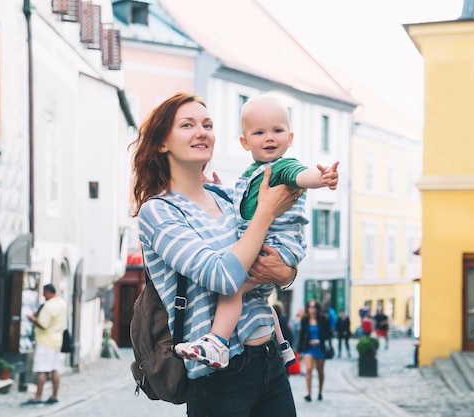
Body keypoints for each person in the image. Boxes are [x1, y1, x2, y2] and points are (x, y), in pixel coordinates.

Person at [131, 92, 299, 416]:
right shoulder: (158, 212)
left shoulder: (226, 196)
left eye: (207, 124)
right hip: (218, 373)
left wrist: (286, 273)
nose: (202, 131)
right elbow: (222, 276)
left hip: (269, 358)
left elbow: (271, 265)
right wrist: (264, 213)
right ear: (162, 143)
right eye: (187, 125)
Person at [175, 93, 339, 369]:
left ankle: (217, 342)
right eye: (259, 132)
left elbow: (301, 176)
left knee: (234, 286)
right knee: (260, 296)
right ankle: (283, 345)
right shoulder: (252, 172)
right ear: (245, 141)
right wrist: (219, 187)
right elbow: (244, 203)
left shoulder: (282, 167)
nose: (269, 138)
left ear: (290, 137)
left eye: (277, 130)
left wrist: (321, 178)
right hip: (270, 243)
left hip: (277, 244)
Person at [22, 283, 68, 406]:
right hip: (57, 341)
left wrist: (32, 319)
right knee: (54, 369)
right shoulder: (62, 303)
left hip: (45, 341)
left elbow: (43, 324)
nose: (43, 295)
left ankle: (38, 397)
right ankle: (54, 395)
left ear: (48, 292)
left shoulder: (48, 306)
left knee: (41, 370)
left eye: (44, 293)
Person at [297, 299, 332, 402]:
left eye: (314, 307)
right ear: (308, 308)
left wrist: (319, 340)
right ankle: (309, 394)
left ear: (317, 308)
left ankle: (320, 392)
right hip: (309, 348)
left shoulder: (323, 319)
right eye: (310, 307)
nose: (312, 309)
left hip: (320, 347)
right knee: (308, 369)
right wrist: (299, 350)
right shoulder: (305, 320)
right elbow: (302, 335)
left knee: (320, 371)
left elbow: (328, 333)